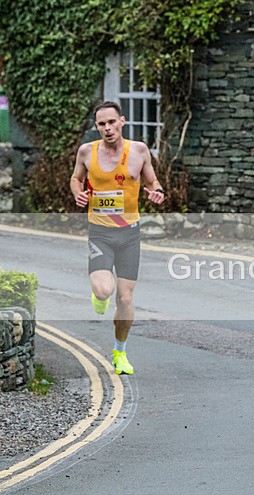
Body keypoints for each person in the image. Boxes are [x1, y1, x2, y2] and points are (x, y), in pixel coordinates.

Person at [70, 101, 165, 375]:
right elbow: (76, 178)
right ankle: (99, 295)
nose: (108, 128)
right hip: (99, 232)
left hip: (129, 234)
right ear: (96, 127)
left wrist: (157, 192)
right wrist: (78, 192)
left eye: (112, 122)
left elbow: (151, 181)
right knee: (104, 290)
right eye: (102, 124)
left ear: (122, 121)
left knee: (125, 299)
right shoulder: (87, 152)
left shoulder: (138, 151)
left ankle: (119, 352)